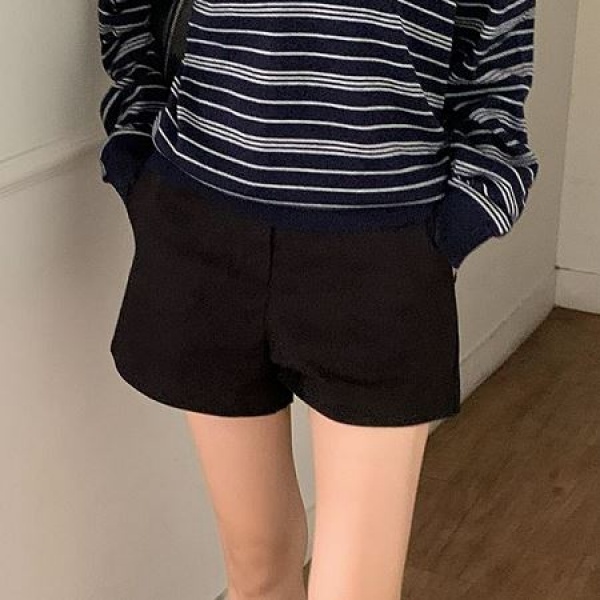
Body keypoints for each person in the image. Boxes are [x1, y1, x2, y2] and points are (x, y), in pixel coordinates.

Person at [97, 1, 539, 598]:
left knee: (356, 589)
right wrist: (134, 150)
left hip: (381, 245)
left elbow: (494, 62)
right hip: (202, 220)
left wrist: (460, 220)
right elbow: (127, 15)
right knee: (254, 566)